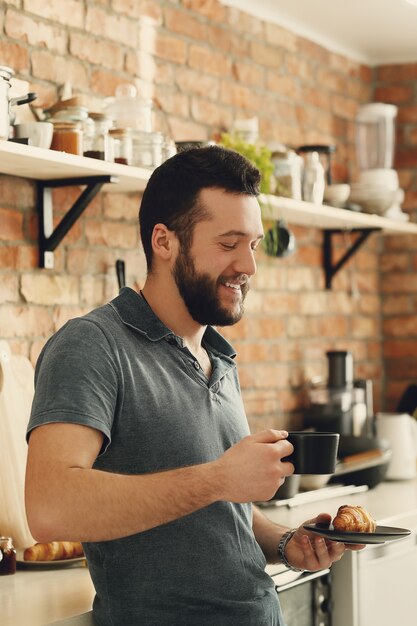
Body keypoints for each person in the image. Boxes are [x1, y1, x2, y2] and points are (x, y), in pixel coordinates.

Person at [25, 146, 355, 626]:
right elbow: (50, 507)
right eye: (228, 244)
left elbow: (213, 514)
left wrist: (285, 542)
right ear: (164, 241)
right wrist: (220, 477)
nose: (249, 266)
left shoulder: (217, 355)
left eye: (254, 245)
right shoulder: (92, 346)